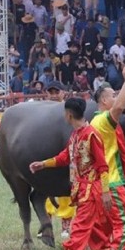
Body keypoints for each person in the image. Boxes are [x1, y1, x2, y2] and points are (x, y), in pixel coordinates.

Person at [30, 98, 120, 250]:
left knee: (78, 228)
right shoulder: (76, 135)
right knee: (95, 229)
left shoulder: (91, 135)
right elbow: (66, 157)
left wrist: (104, 192)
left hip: (91, 191)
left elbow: (103, 167)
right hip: (82, 190)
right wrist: (44, 164)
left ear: (69, 114)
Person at [88, 68, 125, 250]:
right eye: (112, 95)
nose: (116, 98)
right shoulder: (103, 120)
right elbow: (118, 108)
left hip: (100, 181)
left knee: (104, 221)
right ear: (103, 101)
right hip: (111, 180)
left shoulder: (94, 120)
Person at [44, 81, 76, 239]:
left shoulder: (69, 111)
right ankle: (46, 224)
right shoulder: (43, 111)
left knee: (66, 190)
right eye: (51, 92)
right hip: (48, 155)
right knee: (46, 188)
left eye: (57, 92)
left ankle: (66, 225)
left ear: (63, 93)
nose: (54, 95)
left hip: (67, 155)